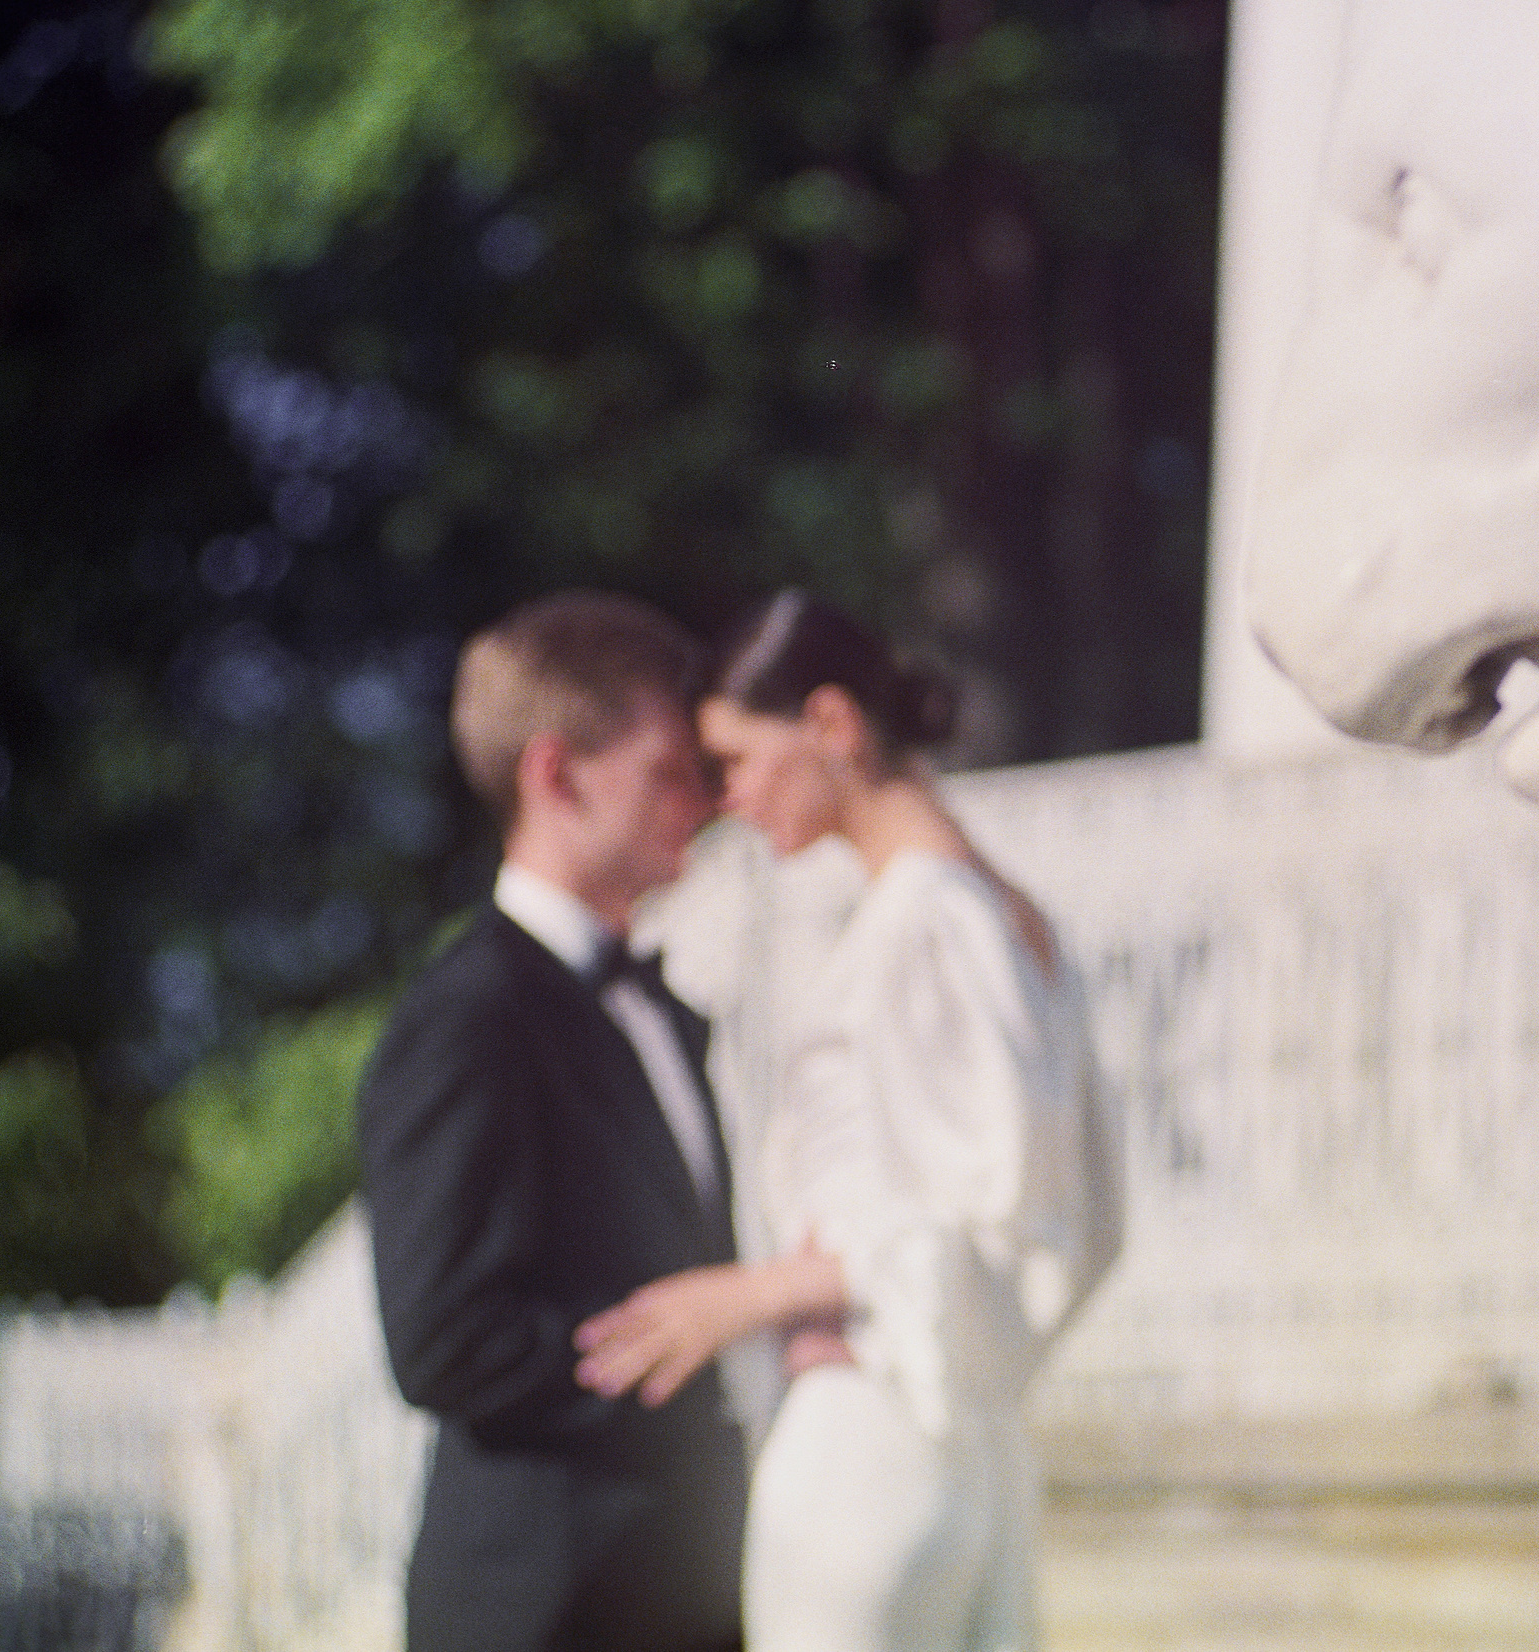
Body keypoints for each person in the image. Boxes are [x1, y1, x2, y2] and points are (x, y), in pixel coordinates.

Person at [572, 590, 1125, 1652]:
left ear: (830, 723)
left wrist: (748, 1291)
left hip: (875, 1429)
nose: (726, 798)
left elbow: (1002, 1217)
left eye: (736, 759)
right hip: (961, 1439)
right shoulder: (994, 913)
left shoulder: (927, 919)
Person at [356, 591, 747, 1652]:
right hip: (541, 1607)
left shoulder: (661, 1007)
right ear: (554, 772)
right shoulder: (467, 1014)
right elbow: (446, 1339)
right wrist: (680, 1345)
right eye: (668, 771)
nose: (702, 804)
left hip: (682, 1593)